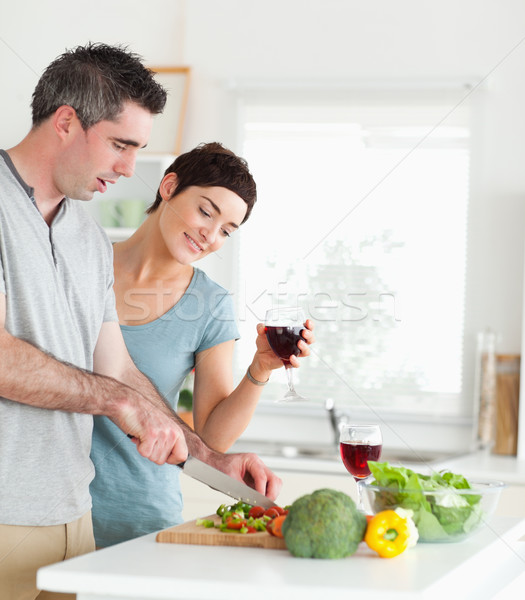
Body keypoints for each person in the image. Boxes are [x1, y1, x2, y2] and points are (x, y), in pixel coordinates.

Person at [0, 42, 281, 600]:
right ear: (65, 122)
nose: (129, 169)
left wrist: (211, 458)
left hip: (71, 513)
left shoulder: (85, 235)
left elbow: (119, 369)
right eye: (120, 145)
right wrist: (114, 402)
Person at [89, 142, 315, 547]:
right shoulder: (82, 264)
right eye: (206, 211)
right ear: (169, 186)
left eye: (227, 230)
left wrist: (259, 369)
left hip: (139, 518)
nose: (210, 235)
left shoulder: (209, 305)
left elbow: (211, 441)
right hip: (51, 513)